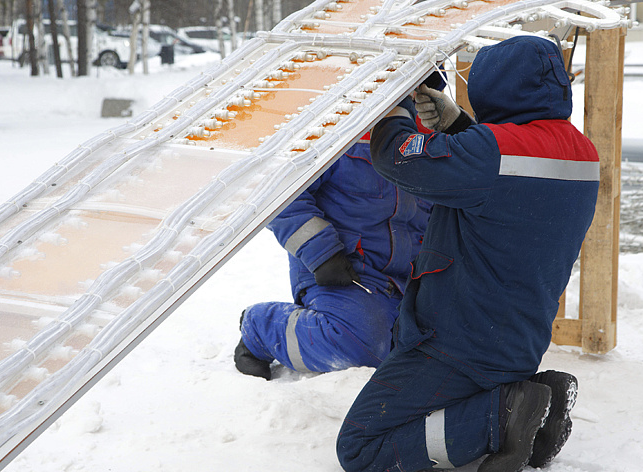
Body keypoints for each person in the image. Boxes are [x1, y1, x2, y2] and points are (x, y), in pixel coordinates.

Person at [336, 35, 599, 472]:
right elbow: (508, 182)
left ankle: (502, 416)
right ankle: (533, 404)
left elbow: (396, 157)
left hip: (457, 346)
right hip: (518, 340)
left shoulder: (490, 154)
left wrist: (392, 103)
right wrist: (458, 125)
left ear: (493, 88)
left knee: (361, 448)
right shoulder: (581, 152)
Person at [233, 137, 432, 380]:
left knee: (444, 345)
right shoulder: (334, 129)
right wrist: (323, 253)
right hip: (345, 273)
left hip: (411, 277)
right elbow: (280, 193)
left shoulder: (428, 133)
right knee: (363, 345)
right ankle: (262, 328)